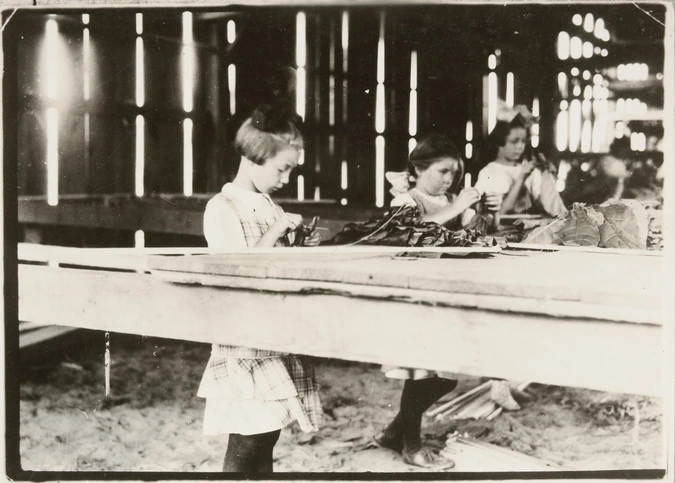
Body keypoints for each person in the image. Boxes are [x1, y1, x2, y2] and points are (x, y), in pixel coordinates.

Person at [199, 106, 322, 473]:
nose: (286, 178)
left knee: (267, 434)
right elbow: (238, 269)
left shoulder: (268, 205)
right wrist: (277, 230)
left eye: (291, 170)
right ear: (253, 158)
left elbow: (276, 263)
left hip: (273, 335)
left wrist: (299, 244)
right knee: (247, 439)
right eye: (281, 168)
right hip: (244, 342)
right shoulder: (222, 207)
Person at [376, 134, 501, 471]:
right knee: (419, 375)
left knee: (443, 378)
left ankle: (393, 433)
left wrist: (486, 215)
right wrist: (458, 206)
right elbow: (409, 236)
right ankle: (412, 448)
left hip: (440, 298)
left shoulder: (447, 200)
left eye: (454, 174)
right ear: (417, 170)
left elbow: (471, 239)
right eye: (442, 171)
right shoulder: (406, 201)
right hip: (411, 298)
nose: (449, 180)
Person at [475, 105, 567, 217]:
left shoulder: (528, 170)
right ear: (500, 142)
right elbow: (500, 213)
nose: (519, 147)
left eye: (523, 141)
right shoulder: (489, 172)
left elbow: (547, 207)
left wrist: (547, 176)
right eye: (514, 141)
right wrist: (521, 178)